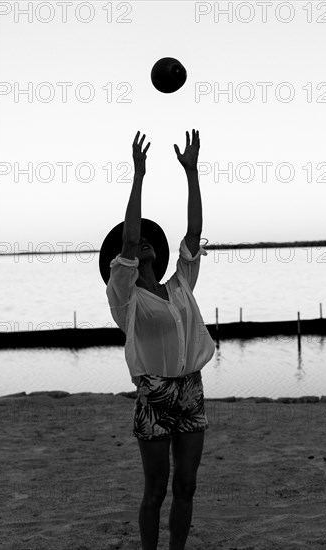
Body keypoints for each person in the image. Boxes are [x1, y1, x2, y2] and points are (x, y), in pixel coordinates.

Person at [104, 129, 216, 550]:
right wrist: (139, 175)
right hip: (153, 395)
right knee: (156, 491)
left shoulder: (180, 284)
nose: (143, 241)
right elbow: (129, 239)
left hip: (191, 390)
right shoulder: (125, 298)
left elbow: (194, 230)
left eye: (151, 238)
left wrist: (192, 172)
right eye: (135, 244)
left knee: (186, 486)